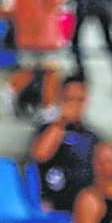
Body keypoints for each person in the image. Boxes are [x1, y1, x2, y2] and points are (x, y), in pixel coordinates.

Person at [29, 75, 104, 213]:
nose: (75, 105)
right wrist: (62, 121)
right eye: (70, 99)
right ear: (60, 99)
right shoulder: (48, 129)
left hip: (87, 206)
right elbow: (40, 155)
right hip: (56, 204)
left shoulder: (92, 136)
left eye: (80, 100)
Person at [8, 0, 68, 115]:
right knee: (46, 70)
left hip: (33, 33)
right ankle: (48, 110)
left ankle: (47, 110)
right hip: (44, 33)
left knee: (42, 70)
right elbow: (56, 2)